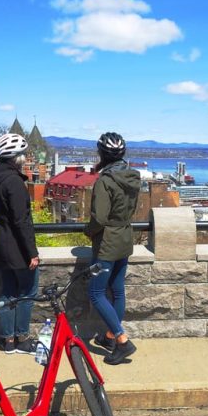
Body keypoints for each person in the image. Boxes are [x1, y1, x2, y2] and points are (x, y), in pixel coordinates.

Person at [85, 132, 141, 365]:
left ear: (101, 154)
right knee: (117, 290)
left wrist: (88, 232)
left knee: (96, 293)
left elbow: (99, 217)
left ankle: (121, 339)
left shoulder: (105, 181)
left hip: (107, 242)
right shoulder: (133, 177)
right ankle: (109, 336)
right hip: (125, 237)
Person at [0, 133, 40, 354]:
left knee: (7, 292)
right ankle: (23, 338)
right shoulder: (14, 182)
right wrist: (32, 252)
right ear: (16, 158)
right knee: (27, 292)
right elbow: (21, 221)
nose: (25, 158)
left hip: (1, 243)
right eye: (22, 155)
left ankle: (8, 341)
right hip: (18, 247)